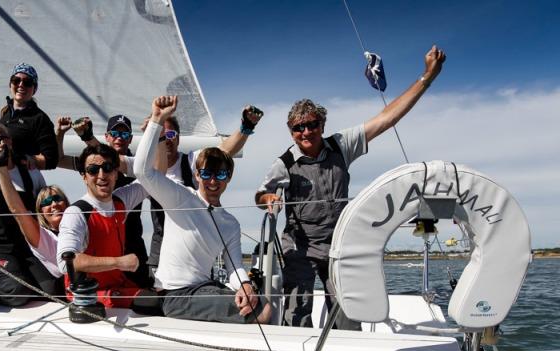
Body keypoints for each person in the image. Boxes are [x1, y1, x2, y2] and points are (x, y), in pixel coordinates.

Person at [255, 45, 446, 328]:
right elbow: (260, 195)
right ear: (291, 132)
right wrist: (268, 197)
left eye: (312, 124)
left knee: (348, 312)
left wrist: (427, 77)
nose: (306, 132)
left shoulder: (341, 146)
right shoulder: (284, 163)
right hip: (300, 246)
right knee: (296, 313)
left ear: (322, 124)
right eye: (298, 128)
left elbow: (387, 119)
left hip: (338, 243)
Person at [134, 96, 271, 324]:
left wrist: (245, 285)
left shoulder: (230, 224)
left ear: (229, 178)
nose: (213, 181)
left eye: (220, 175)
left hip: (203, 288)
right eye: (206, 174)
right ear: (197, 175)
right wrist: (157, 120)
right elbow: (142, 171)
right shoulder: (180, 197)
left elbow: (235, 267)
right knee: (263, 311)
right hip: (174, 295)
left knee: (255, 300)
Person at [147, 106, 263, 271]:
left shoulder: (190, 162)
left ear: (179, 139)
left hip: (196, 251)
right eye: (161, 135)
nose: (167, 140)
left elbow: (223, 152)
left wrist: (246, 127)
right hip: (161, 254)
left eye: (171, 135)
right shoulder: (145, 170)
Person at [56, 114, 153, 288]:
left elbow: (149, 172)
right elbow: (58, 160)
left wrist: (155, 130)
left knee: (146, 293)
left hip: (132, 238)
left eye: (109, 169)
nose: (102, 175)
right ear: (84, 175)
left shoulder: (137, 165)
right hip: (98, 235)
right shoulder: (78, 211)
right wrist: (61, 134)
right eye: (93, 170)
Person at [0, 129, 69, 294]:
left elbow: (45, 203)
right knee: (16, 291)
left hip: (30, 243)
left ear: (9, 140)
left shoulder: (30, 170)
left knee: (52, 288)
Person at [0, 63, 58, 172]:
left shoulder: (40, 119)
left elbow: (52, 159)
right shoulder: (5, 112)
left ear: (34, 89)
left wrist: (29, 159)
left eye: (27, 82)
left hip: (23, 181)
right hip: (1, 176)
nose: (21, 85)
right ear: (10, 84)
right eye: (16, 80)